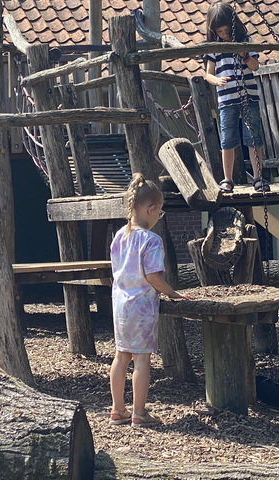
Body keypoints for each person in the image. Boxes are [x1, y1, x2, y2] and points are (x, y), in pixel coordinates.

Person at [109, 174, 187, 427]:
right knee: (142, 359)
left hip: (120, 303)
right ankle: (139, 413)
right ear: (150, 209)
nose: (158, 217)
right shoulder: (151, 240)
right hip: (141, 306)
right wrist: (172, 293)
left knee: (121, 357)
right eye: (160, 212)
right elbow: (152, 276)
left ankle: (117, 409)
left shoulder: (119, 235)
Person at [203, 1, 270, 193]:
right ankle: (227, 179)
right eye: (220, 32)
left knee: (253, 136)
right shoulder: (213, 47)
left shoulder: (245, 41)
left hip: (248, 96)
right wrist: (217, 81)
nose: (224, 35)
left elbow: (255, 66)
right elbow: (208, 74)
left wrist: (245, 56)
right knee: (228, 138)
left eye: (226, 31)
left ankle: (258, 177)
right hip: (226, 98)